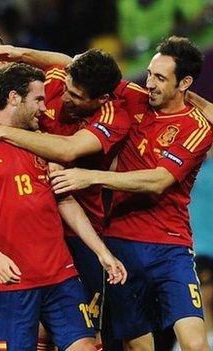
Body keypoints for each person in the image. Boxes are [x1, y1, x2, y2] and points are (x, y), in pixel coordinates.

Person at [48, 36, 212, 351]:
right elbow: (73, 62)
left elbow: (159, 180)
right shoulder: (134, 97)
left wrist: (91, 177)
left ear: (185, 83)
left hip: (169, 246)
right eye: (150, 73)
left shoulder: (197, 128)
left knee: (194, 343)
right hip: (120, 242)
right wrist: (18, 53)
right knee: (136, 345)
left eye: (160, 78)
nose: (149, 82)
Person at [0, 62, 126, 351]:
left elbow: (65, 201)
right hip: (12, 282)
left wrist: (101, 252)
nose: (45, 108)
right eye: (38, 100)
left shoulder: (44, 145)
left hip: (61, 275)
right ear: (14, 98)